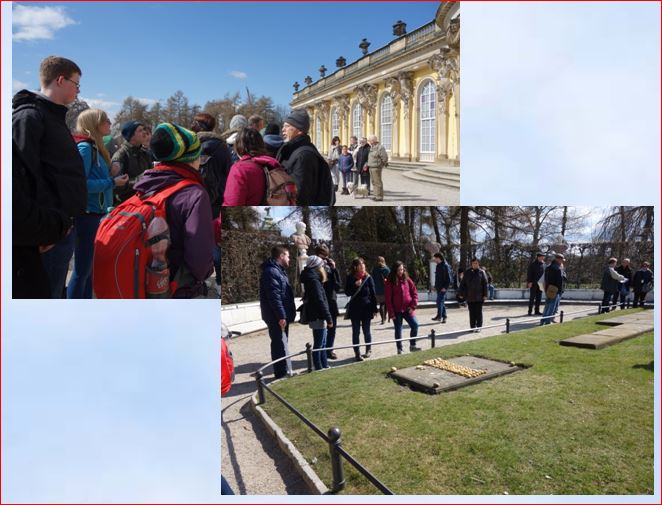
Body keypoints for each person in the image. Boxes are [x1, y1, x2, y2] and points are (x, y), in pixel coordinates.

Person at [12, 55, 87, 298]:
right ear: (60, 79)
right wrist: (43, 230)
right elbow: (22, 181)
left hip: (60, 230)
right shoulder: (30, 117)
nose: (78, 90)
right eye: (76, 84)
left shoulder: (53, 117)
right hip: (46, 237)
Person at [132, 123, 214, 298]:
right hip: (177, 289)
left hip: (141, 283)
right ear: (191, 158)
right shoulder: (195, 194)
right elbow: (199, 261)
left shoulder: (145, 185)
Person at [67, 109, 129, 298]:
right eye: (106, 120)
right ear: (95, 125)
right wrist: (112, 182)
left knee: (89, 270)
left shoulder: (96, 148)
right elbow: (80, 185)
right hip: (88, 216)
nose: (110, 123)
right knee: (82, 270)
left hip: (97, 214)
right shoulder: (86, 148)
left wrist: (111, 174)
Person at [191, 113, 232, 296]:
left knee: (201, 243)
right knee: (217, 243)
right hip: (219, 200)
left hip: (202, 200)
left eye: (194, 123)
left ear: (199, 126)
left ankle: (203, 279)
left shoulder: (197, 147)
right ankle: (221, 282)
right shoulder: (222, 146)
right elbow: (228, 172)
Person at [277, 109, 334, 206]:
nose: (283, 129)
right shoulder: (292, 150)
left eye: (287, 126)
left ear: (299, 130)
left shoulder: (304, 155)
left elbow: (301, 194)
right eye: (283, 126)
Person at [259, 246, 296, 379]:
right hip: (276, 316)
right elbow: (274, 297)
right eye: (288, 256)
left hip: (280, 315)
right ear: (281, 256)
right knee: (278, 344)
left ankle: (284, 370)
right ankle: (280, 374)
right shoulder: (271, 272)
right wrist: (281, 316)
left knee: (282, 343)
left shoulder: (278, 271)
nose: (289, 258)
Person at [223, 127, 281, 205]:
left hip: (248, 215)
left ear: (238, 146)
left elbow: (232, 206)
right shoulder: (273, 164)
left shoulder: (239, 169)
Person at [301, 256, 334, 370]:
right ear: (316, 267)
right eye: (321, 266)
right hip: (317, 316)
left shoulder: (313, 279)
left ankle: (324, 365)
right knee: (319, 344)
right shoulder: (313, 281)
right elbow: (320, 301)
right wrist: (329, 318)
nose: (323, 268)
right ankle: (319, 367)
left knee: (322, 343)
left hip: (317, 315)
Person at [344, 257, 378, 361]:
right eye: (360, 265)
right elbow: (347, 292)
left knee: (366, 331)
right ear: (355, 267)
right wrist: (354, 285)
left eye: (363, 265)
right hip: (355, 309)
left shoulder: (368, 277)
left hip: (367, 308)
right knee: (356, 332)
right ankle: (357, 353)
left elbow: (373, 294)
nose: (362, 267)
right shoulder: (350, 277)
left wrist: (374, 308)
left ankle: (368, 349)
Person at [111, 120, 152, 203]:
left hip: (145, 201)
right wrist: (140, 180)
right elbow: (115, 187)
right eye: (140, 130)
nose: (144, 132)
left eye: (144, 129)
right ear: (131, 136)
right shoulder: (120, 156)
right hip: (127, 206)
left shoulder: (146, 154)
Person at [385, 261, 420, 353]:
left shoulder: (407, 279)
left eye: (402, 269)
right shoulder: (390, 281)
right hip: (396, 311)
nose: (401, 271)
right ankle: (399, 348)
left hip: (408, 309)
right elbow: (388, 299)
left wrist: (413, 306)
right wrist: (391, 313)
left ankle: (413, 345)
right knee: (398, 329)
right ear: (394, 270)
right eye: (398, 270)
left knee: (415, 325)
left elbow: (414, 293)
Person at [315, 245, 341, 360]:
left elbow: (338, 286)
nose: (324, 259)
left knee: (332, 328)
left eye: (326, 256)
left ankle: (329, 349)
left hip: (331, 300)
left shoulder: (331, 269)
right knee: (321, 328)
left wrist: (334, 270)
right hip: (320, 302)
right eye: (322, 257)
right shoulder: (314, 268)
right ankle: (321, 351)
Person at [458, 258, 488, 332]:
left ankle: (479, 327)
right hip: (470, 296)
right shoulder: (467, 272)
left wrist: (485, 295)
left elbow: (485, 284)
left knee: (478, 312)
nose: (475, 264)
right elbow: (462, 284)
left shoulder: (482, 272)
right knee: (471, 313)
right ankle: (472, 327)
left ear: (478, 264)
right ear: (471, 264)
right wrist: (460, 293)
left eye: (476, 263)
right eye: (473, 263)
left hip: (479, 296)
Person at [540, 253, 565, 325]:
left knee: (547, 305)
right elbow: (560, 280)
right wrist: (560, 291)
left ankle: (542, 321)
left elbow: (545, 279)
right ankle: (548, 321)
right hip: (556, 289)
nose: (562, 261)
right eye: (561, 260)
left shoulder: (548, 267)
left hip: (548, 288)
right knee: (552, 306)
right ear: (558, 259)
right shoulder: (558, 268)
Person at [365, 134, 388, 201]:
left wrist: (380, 165)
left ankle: (379, 197)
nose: (369, 141)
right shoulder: (372, 147)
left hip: (376, 167)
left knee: (378, 182)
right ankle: (375, 195)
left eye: (369, 140)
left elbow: (385, 158)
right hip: (371, 167)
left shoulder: (380, 147)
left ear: (373, 140)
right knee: (374, 182)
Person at [432, 253, 452, 323]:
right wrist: (435, 286)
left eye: (435, 258)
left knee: (439, 301)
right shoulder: (437, 266)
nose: (434, 260)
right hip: (438, 288)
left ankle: (439, 316)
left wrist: (445, 287)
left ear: (438, 258)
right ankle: (444, 317)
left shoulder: (445, 266)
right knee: (441, 302)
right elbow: (437, 278)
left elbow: (449, 279)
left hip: (443, 288)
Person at [371, 256, 390, 324]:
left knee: (381, 304)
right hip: (386, 289)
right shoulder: (387, 269)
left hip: (377, 289)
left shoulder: (374, 269)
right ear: (384, 261)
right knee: (386, 304)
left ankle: (383, 319)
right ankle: (385, 317)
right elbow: (390, 278)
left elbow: (372, 279)